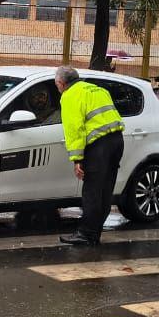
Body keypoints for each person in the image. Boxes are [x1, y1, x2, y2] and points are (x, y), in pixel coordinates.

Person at [54, 65, 125, 245]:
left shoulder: (70, 96)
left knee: (92, 191)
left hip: (99, 146)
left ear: (62, 83)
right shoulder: (98, 90)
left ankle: (86, 234)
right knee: (105, 190)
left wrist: (77, 159)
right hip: (117, 142)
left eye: (57, 84)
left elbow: (74, 129)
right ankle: (94, 233)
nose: (58, 88)